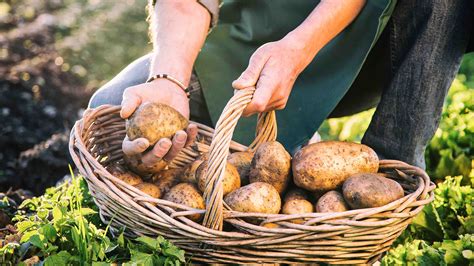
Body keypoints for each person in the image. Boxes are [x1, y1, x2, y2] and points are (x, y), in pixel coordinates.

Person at [89, 0, 473, 170]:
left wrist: (298, 47)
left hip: (369, 45)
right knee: (106, 108)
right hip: (249, 49)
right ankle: (292, 140)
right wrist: (169, 79)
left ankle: (394, 165)